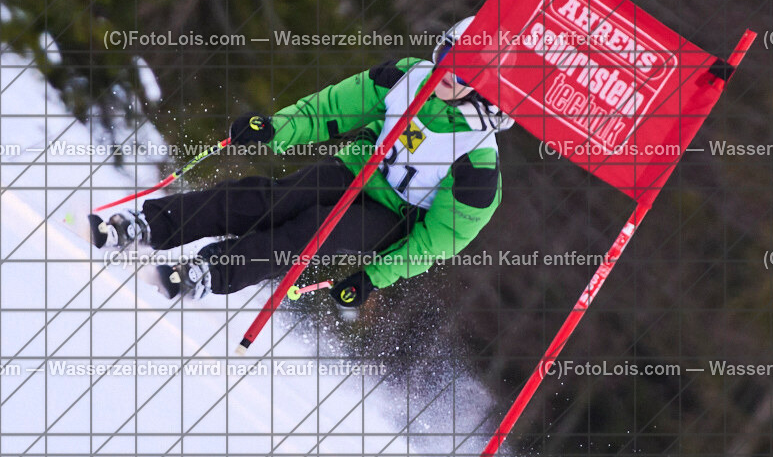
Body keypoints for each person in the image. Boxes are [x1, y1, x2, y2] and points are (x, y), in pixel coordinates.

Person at [93, 17, 513, 309]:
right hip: (355, 170)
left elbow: (439, 241)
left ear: (485, 85)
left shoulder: (478, 162)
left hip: (394, 216)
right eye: (450, 56)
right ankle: (150, 224)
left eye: (466, 72)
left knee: (311, 231)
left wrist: (374, 277)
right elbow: (334, 108)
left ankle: (210, 272)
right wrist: (273, 128)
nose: (449, 72)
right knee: (271, 198)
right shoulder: (405, 77)